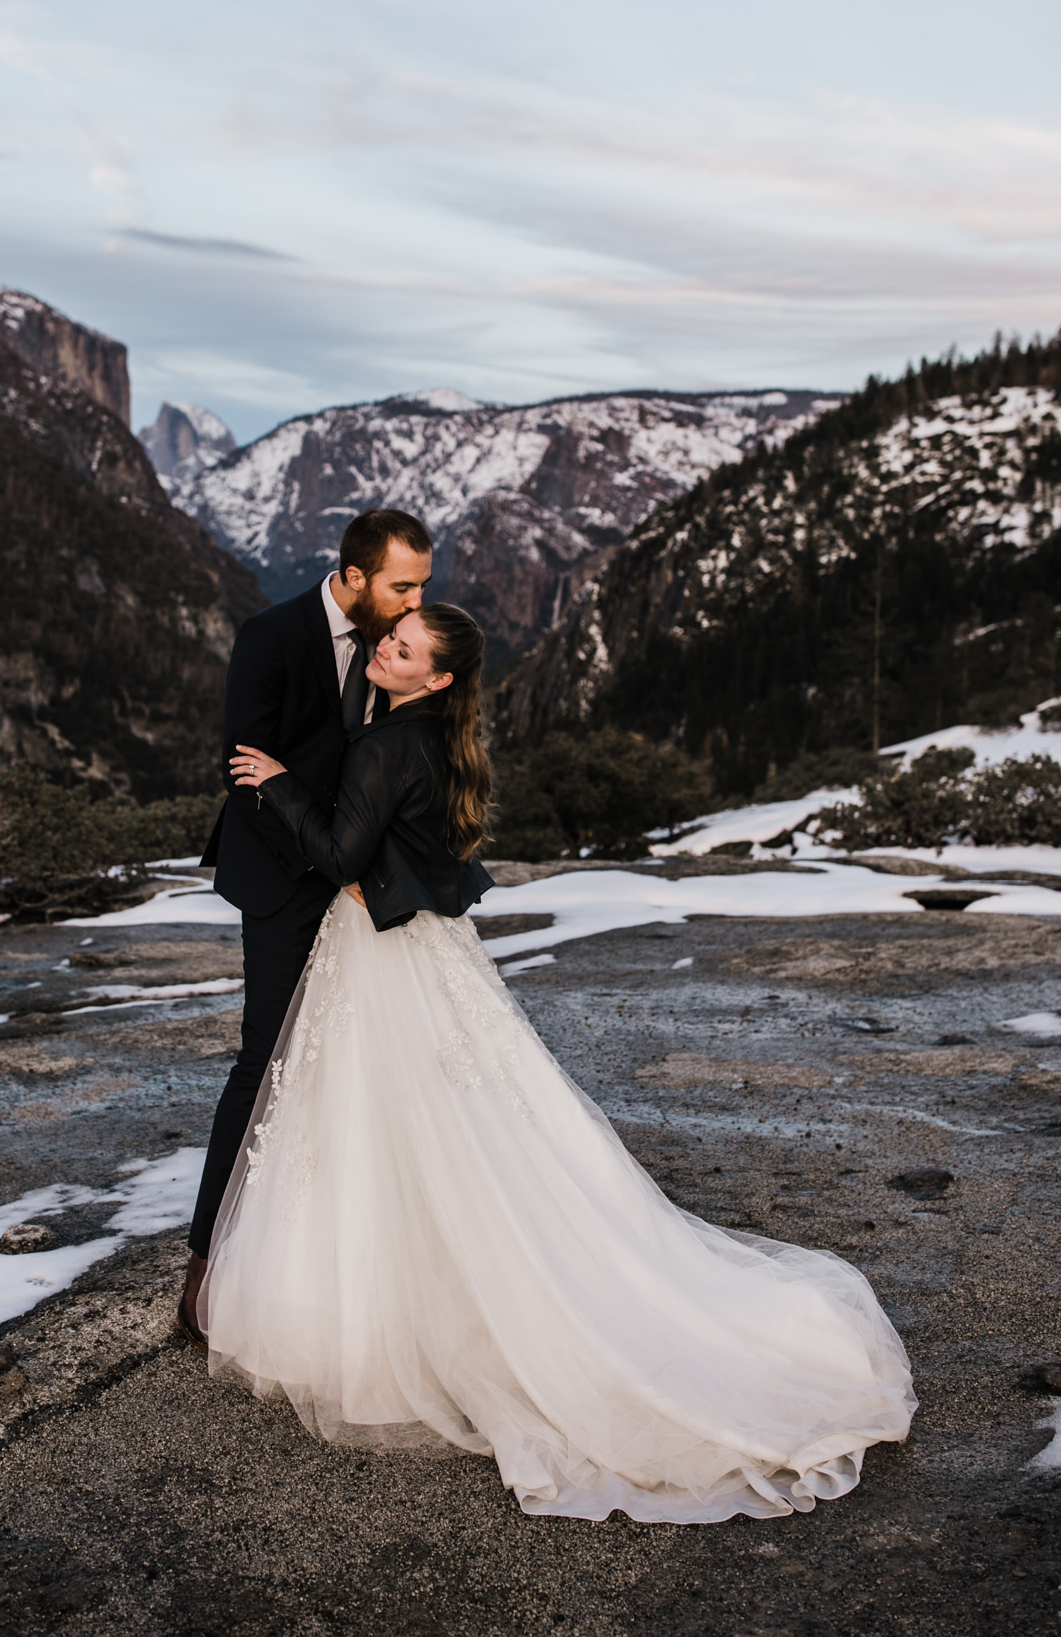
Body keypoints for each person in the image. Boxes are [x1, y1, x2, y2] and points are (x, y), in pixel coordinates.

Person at [195, 600, 916, 1525]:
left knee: (381, 1122)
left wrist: (280, 783)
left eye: (403, 648)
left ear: (437, 678)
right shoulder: (440, 742)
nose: (384, 649)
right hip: (430, 953)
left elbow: (340, 853)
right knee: (460, 1123)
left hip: (378, 959)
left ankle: (382, 1316)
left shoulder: (383, 747)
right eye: (387, 638)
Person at [177, 508, 434, 1345]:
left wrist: (368, 862)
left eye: (421, 586)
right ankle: (208, 1261)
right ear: (354, 577)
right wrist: (323, 852)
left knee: (365, 1061)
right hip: (286, 878)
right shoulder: (270, 634)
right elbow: (245, 764)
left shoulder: (403, 646)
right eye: (402, 585)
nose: (413, 602)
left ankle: (355, 1257)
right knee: (267, 1060)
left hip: (360, 880)